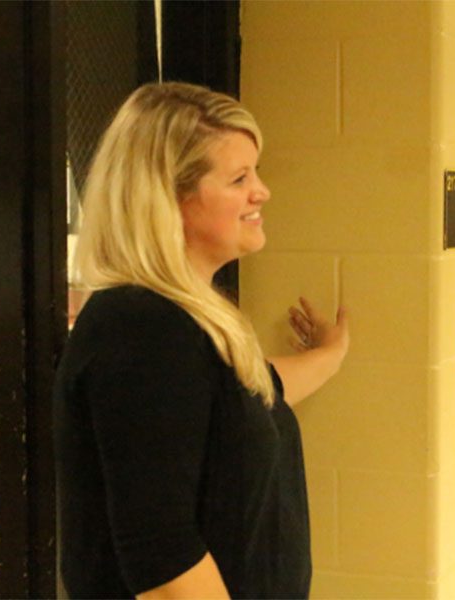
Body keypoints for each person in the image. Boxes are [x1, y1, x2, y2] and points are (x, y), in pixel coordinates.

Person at [53, 82, 349, 599]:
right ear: (168, 198)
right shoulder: (140, 330)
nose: (263, 191)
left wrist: (331, 353)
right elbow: (163, 556)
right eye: (239, 178)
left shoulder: (180, 320)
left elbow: (248, 395)